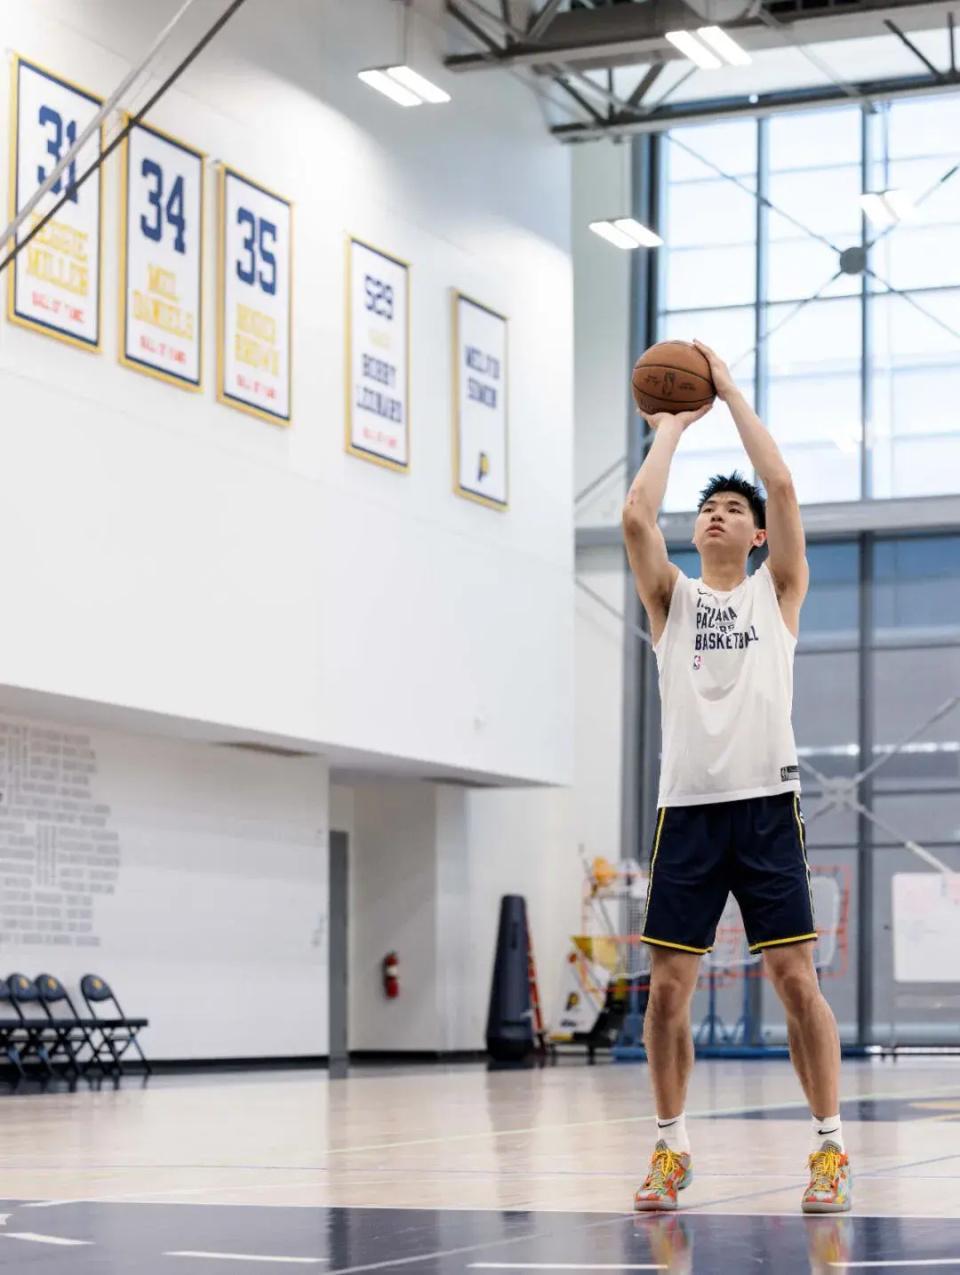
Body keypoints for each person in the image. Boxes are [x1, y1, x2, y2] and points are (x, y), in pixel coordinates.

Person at [621, 341, 850, 1215]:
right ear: (695, 531)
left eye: (732, 509)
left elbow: (781, 485)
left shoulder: (776, 591)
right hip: (686, 811)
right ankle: (670, 1145)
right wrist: (670, 426)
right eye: (707, 508)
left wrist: (729, 393)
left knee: (796, 981)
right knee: (666, 994)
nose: (717, 514)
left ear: (756, 536)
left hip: (765, 808)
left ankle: (829, 1146)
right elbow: (635, 515)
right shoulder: (671, 599)